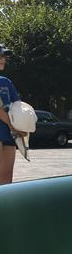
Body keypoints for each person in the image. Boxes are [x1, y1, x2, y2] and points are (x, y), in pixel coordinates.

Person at [0, 44, 22, 185]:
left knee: (7, 179)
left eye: (4, 56)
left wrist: (23, 125)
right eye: (0, 56)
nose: (3, 59)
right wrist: (13, 125)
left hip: (8, 135)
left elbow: (18, 107)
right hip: (8, 129)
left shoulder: (6, 82)